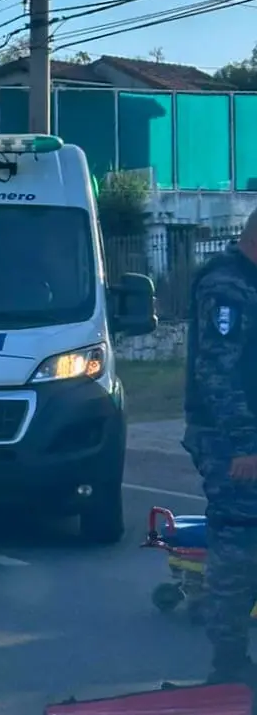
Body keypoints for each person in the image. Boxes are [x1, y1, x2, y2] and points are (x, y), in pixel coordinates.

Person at [185, 207, 257, 684]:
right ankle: (228, 666)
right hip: (232, 443)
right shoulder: (227, 287)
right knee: (238, 548)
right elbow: (218, 373)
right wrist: (244, 445)